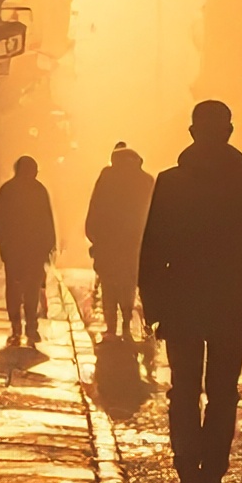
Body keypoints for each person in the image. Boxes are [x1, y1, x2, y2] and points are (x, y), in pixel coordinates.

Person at [138, 100, 242, 483]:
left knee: (183, 392)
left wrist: (154, 307)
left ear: (191, 133)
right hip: (231, 304)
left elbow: (152, 251)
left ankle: (188, 478)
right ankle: (212, 480)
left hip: (182, 303)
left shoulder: (170, 182)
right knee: (223, 395)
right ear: (230, 133)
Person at [83, 143, 156, 340]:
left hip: (108, 243)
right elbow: (154, 213)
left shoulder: (107, 178)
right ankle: (125, 322)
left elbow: (95, 207)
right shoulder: (146, 180)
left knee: (109, 285)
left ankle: (111, 326)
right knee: (128, 284)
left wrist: (93, 234)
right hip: (134, 245)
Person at [0, 155, 57, 346]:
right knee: (31, 288)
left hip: (13, 248)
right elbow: (47, 220)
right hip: (32, 249)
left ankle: (16, 325)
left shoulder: (8, 189)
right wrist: (49, 244)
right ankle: (30, 326)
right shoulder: (39, 190)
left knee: (15, 287)